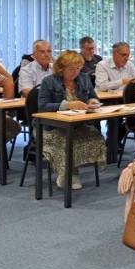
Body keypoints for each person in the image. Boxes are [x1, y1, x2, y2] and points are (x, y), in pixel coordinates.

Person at [37, 51, 107, 190]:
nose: (75, 72)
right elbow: (43, 106)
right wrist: (68, 105)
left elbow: (93, 96)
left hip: (78, 125)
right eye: (71, 69)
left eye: (78, 68)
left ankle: (70, 172)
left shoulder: (83, 78)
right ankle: (68, 174)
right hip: (53, 128)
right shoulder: (49, 81)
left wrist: (92, 101)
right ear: (61, 68)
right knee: (66, 141)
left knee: (95, 136)